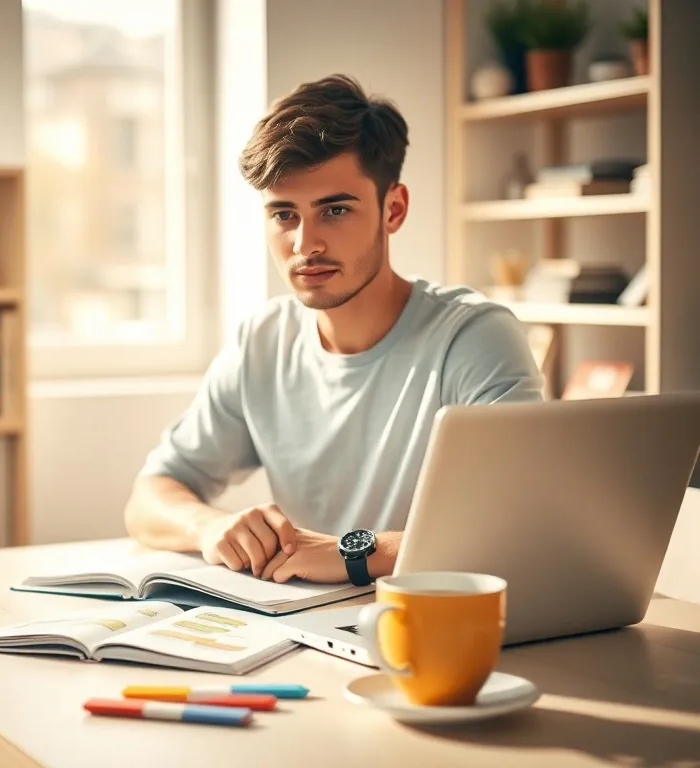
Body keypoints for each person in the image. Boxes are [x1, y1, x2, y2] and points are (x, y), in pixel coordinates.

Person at [123, 73, 544, 588]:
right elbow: (148, 498)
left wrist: (352, 552)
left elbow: (519, 528)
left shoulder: (475, 338)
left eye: (335, 210)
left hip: (434, 623)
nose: (305, 244)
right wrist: (209, 526)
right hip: (302, 624)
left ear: (394, 209)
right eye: (284, 214)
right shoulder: (262, 341)